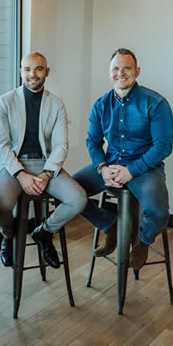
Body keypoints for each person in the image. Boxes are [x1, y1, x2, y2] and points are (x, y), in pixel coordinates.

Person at [74, 48, 173, 270]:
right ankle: (111, 227)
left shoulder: (155, 103)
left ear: (137, 71)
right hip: (109, 165)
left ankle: (142, 242)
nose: (121, 73)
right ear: (109, 73)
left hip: (145, 169)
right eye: (116, 69)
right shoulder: (101, 104)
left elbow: (164, 145)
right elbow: (93, 140)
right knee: (70, 192)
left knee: (159, 213)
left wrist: (131, 170)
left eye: (127, 68)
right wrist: (102, 168)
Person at [0, 52, 87, 268]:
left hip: (45, 164)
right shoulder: (4, 102)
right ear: (20, 72)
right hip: (13, 165)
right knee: (1, 204)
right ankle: (9, 235)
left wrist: (46, 174)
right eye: (27, 69)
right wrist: (20, 174)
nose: (32, 74)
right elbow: (2, 146)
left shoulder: (56, 104)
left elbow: (61, 145)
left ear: (47, 72)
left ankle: (43, 232)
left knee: (78, 199)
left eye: (38, 69)